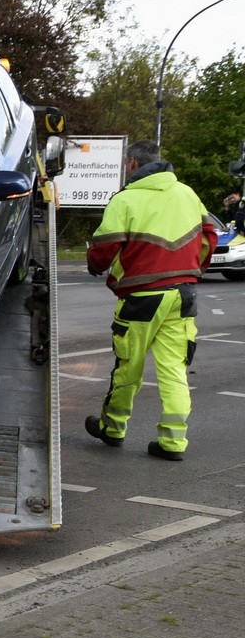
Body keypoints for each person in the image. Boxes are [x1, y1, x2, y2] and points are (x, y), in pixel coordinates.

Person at [85, 140, 217, 461]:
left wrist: (96, 265)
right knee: (174, 368)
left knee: (129, 365)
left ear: (132, 164)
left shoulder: (126, 199)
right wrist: (191, 270)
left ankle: (113, 429)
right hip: (183, 294)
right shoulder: (187, 193)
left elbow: (104, 250)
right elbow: (209, 236)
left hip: (142, 296)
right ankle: (173, 442)